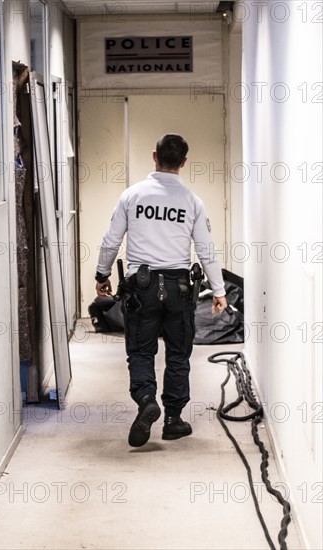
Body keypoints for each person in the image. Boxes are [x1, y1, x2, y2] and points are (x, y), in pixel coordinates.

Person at [95, 134, 227, 447]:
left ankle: (145, 400)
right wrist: (219, 290)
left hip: (141, 288)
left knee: (141, 351)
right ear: (183, 162)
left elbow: (111, 240)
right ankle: (173, 420)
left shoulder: (132, 195)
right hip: (179, 288)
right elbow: (206, 250)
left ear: (154, 156)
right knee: (178, 354)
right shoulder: (192, 201)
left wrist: (102, 273)